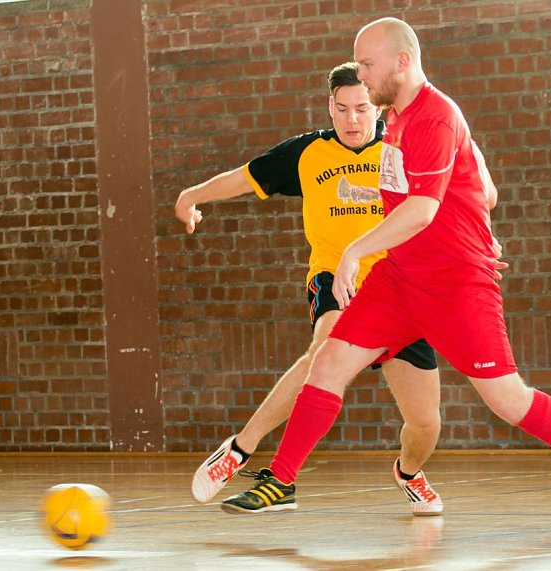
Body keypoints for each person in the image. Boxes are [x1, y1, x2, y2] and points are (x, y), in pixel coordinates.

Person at [222, 18, 551, 529]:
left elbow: (421, 209)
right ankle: (282, 479)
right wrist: (474, 221)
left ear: (401, 61)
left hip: (457, 287)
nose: (361, 73)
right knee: (327, 363)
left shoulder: (435, 118)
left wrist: (359, 252)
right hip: (400, 279)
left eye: (368, 64)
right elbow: (473, 192)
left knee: (508, 401)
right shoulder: (395, 117)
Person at [175, 62, 448, 516]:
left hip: (401, 290)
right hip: (335, 279)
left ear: (378, 107)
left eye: (362, 109)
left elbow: (443, 202)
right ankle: (242, 450)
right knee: (324, 348)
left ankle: (408, 471)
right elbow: (245, 177)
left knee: (425, 424)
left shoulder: (401, 150)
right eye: (342, 110)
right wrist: (192, 195)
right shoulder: (306, 153)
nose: (353, 120)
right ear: (330, 107)